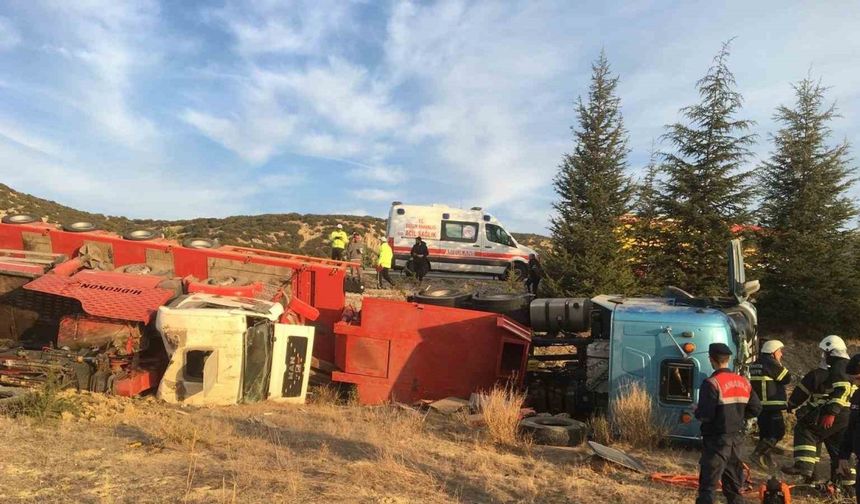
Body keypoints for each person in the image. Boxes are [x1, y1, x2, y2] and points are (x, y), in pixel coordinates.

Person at [694, 342, 761, 504]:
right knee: (734, 484)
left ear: (711, 359)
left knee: (708, 485)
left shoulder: (712, 383)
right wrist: (738, 416)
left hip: (716, 439)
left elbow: (706, 415)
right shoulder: (744, 382)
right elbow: (756, 408)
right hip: (736, 439)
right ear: (729, 359)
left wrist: (696, 410)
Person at [783, 335, 855, 484]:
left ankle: (804, 468)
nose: (824, 356)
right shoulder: (849, 366)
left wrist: (831, 413)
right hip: (847, 415)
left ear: (830, 351)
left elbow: (843, 389)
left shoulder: (836, 367)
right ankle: (846, 485)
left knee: (806, 430)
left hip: (835, 413)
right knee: (840, 451)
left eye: (825, 352)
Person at [749, 339, 791, 469]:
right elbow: (786, 378)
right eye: (779, 351)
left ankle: (766, 459)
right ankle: (757, 454)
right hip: (772, 406)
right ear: (773, 352)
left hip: (760, 406)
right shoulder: (771, 363)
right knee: (777, 432)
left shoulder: (756, 364)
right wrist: (778, 363)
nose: (781, 354)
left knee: (765, 434)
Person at [837, 354, 860, 501]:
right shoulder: (857, 395)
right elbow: (851, 427)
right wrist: (843, 456)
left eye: (858, 378)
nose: (855, 383)